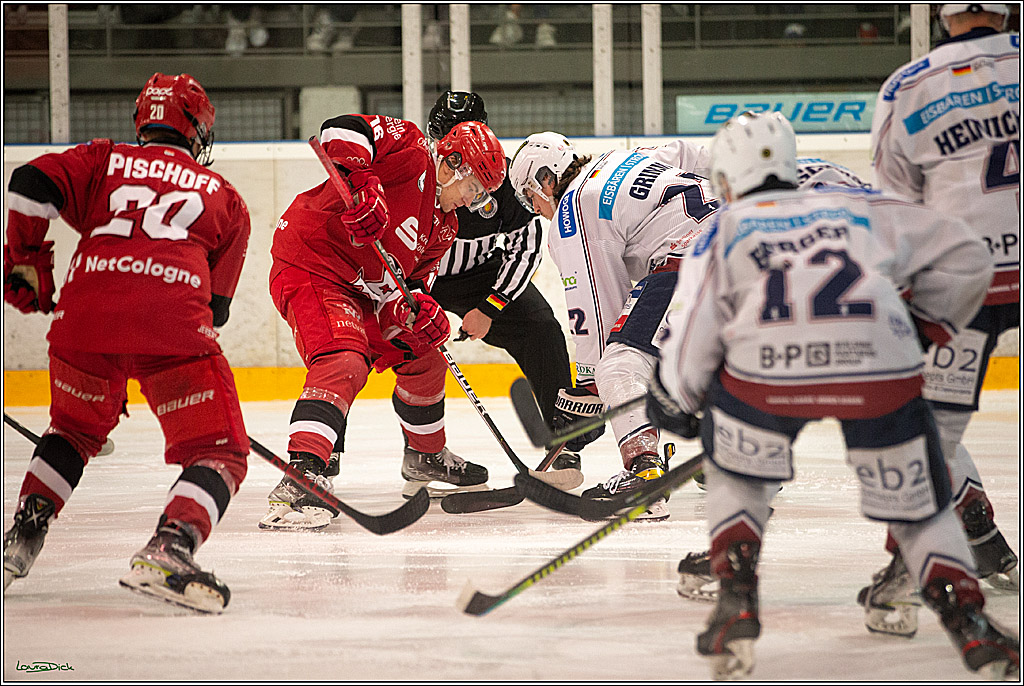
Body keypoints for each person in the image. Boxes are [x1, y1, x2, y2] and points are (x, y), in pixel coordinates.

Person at [646, 110, 1018, 680]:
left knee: (738, 470)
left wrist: (677, 398)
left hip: (768, 377)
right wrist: (926, 326)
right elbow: (968, 257)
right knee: (918, 505)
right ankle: (971, 624)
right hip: (878, 366)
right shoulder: (859, 207)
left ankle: (736, 601)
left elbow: (693, 340)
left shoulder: (724, 230)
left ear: (726, 179)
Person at [2, 73, 251, 614]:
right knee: (221, 451)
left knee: (71, 431)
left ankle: (21, 537)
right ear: (197, 131)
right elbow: (218, 310)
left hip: (82, 322)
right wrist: (146, 353)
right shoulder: (225, 198)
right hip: (172, 326)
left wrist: (25, 258)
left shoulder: (102, 161)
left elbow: (27, 183)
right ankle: (172, 546)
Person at [261, 112, 507, 531]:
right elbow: (340, 128)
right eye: (472, 187)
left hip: (362, 291)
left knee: (426, 355)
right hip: (314, 262)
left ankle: (424, 457)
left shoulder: (444, 227)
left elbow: (406, 289)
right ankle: (301, 476)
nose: (472, 199)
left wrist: (421, 312)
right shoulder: (410, 151)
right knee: (344, 359)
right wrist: (363, 184)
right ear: (451, 163)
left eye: (480, 193)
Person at [861, 0, 1020, 635]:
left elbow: (895, 208)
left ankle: (907, 575)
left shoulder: (910, 85)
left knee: (929, 433)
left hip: (963, 283)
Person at [508, 130, 715, 520]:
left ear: (545, 180)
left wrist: (589, 390)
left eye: (530, 196)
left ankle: (643, 472)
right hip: (756, 245)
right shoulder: (632, 156)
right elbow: (698, 154)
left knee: (620, 364)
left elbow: (597, 314)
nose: (536, 209)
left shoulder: (573, 208)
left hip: (698, 259)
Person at [426, 91, 576, 468]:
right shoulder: (412, 174)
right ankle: (418, 452)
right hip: (413, 278)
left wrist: (490, 307)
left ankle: (563, 441)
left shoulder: (505, 181)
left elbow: (526, 249)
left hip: (478, 276)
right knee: (356, 345)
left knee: (541, 328)